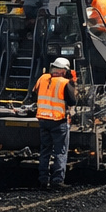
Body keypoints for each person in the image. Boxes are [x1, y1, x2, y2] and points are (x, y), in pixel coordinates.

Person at [31, 57, 76, 189]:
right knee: (60, 152)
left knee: (45, 151)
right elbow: (72, 101)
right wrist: (72, 83)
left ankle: (43, 180)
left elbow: (34, 95)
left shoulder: (42, 78)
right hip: (58, 121)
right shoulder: (65, 83)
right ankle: (57, 181)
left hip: (43, 120)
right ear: (63, 71)